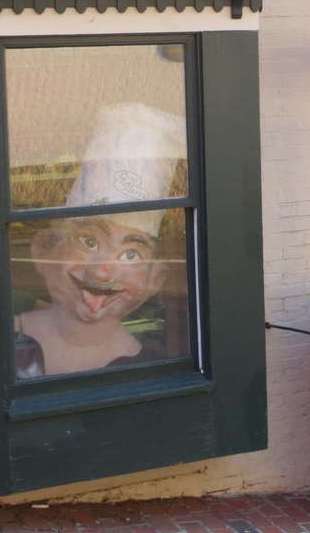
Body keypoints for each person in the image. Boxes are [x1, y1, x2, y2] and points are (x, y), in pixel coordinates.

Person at [14, 102, 186, 379]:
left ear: (156, 279)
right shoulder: (9, 341)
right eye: (89, 242)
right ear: (43, 248)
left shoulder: (147, 364)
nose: (102, 272)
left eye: (131, 254)